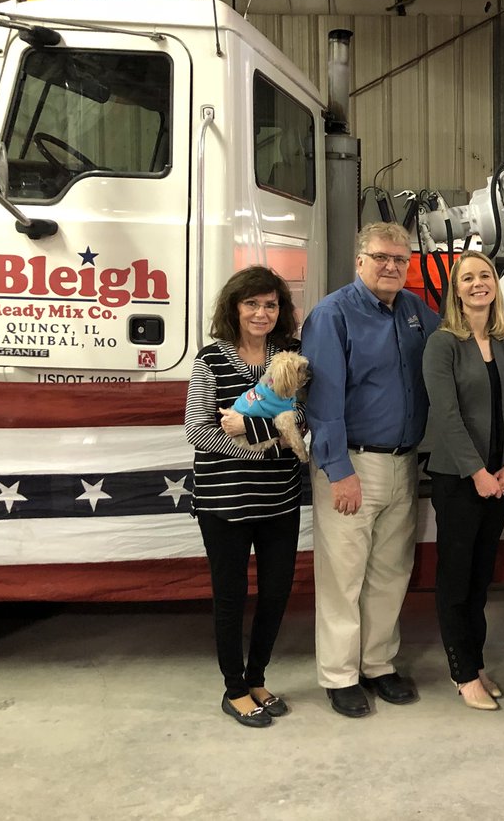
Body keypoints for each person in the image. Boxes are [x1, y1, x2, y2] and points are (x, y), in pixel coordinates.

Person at [301, 222, 439, 718]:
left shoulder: (415, 311)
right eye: (381, 257)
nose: (391, 267)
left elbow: (460, 344)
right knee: (343, 576)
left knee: (390, 571)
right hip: (352, 462)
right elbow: (322, 403)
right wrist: (339, 471)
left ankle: (377, 664)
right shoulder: (332, 315)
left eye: (400, 260)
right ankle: (340, 675)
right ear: (359, 260)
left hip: (405, 462)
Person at [184, 266, 305, 728]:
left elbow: (305, 421)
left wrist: (248, 427)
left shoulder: (291, 356)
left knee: (275, 592)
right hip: (224, 503)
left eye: (270, 304)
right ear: (234, 307)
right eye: (251, 303)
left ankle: (257, 678)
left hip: (280, 500)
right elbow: (199, 431)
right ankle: (234, 688)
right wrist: (270, 442)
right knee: (231, 595)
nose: (261, 312)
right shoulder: (210, 360)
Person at [422, 252, 504, 711]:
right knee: (456, 579)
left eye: (485, 275)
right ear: (456, 290)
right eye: (468, 278)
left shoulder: (503, 342)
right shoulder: (442, 343)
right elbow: (446, 416)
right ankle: (462, 673)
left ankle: (476, 662)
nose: (478, 283)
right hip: (459, 479)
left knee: (481, 579)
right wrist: (477, 472)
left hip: (500, 478)